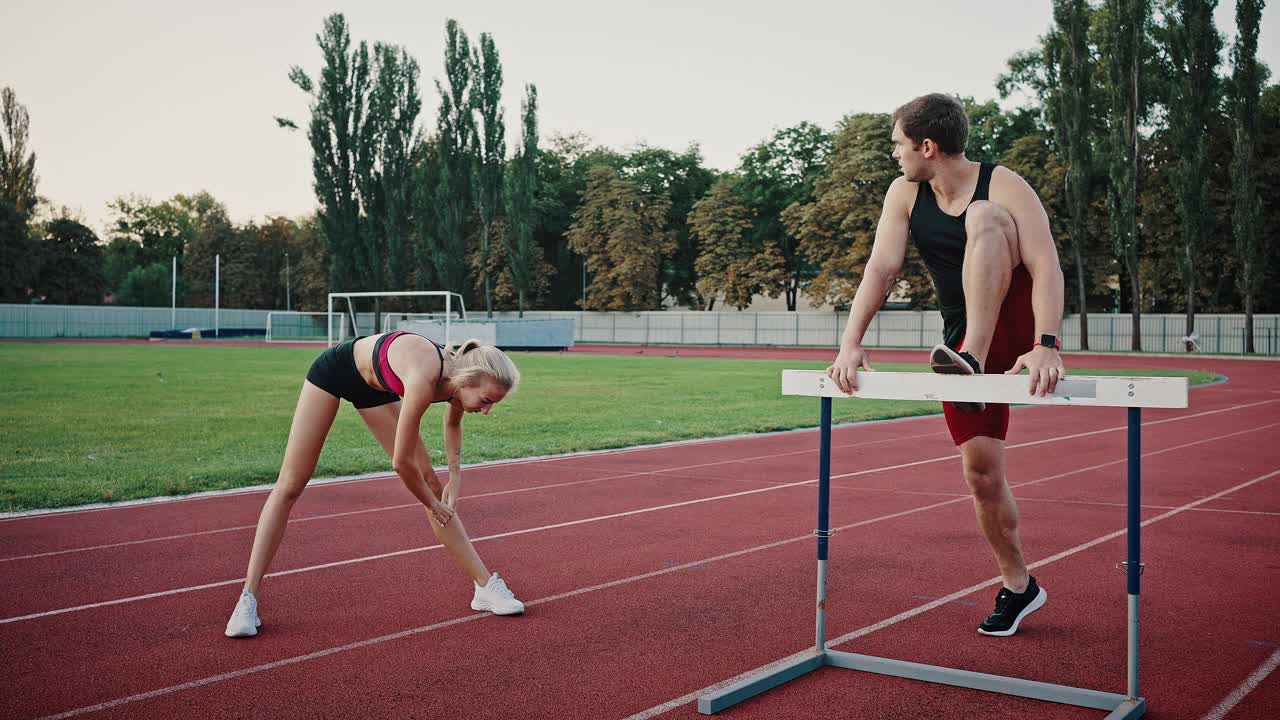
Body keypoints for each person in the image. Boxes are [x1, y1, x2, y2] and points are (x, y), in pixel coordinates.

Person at [826, 93, 1065, 636]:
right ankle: (1018, 585)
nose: (895, 155)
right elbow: (882, 267)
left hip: (1015, 330)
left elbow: (1046, 263)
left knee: (982, 216)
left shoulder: (1003, 185)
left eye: (898, 145)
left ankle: (971, 357)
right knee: (981, 475)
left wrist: (1048, 342)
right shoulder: (905, 193)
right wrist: (850, 343)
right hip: (956, 340)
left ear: (927, 146)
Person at [225, 331, 525, 638]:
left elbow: (453, 422)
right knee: (290, 484)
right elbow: (401, 462)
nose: (487, 411)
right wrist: (433, 505)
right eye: (486, 401)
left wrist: (455, 476)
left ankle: (485, 587)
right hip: (337, 370)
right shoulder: (425, 379)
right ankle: (247, 599)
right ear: (465, 380)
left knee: (431, 480)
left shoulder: (459, 379)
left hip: (375, 387)